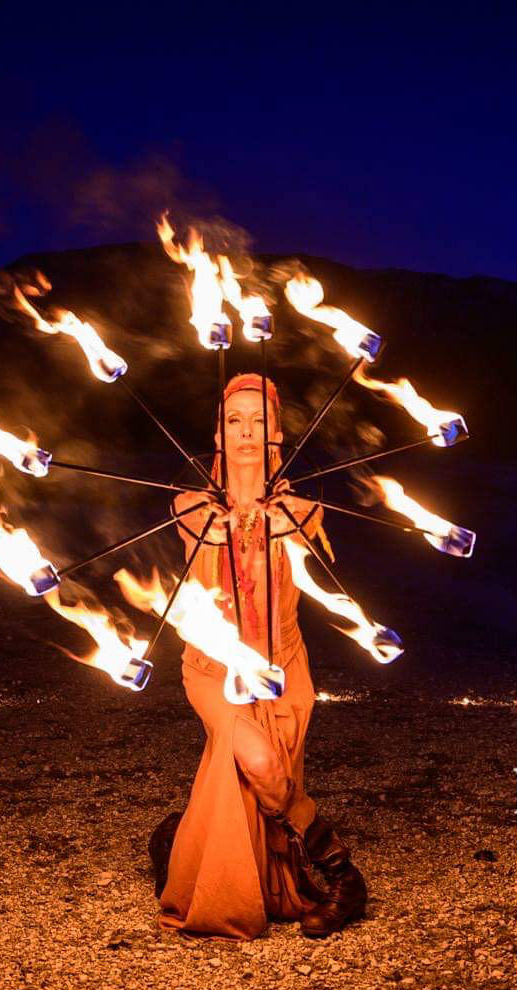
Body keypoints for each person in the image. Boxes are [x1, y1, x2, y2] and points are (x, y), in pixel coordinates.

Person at [148, 373, 367, 940]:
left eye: (259, 421)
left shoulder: (301, 509)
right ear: (218, 435)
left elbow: (313, 571)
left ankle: (180, 840)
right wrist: (231, 530)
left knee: (258, 783)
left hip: (283, 666)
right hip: (215, 670)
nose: (247, 431)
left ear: (278, 434)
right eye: (234, 420)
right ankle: (343, 874)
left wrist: (284, 527)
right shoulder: (192, 504)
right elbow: (209, 538)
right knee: (262, 764)